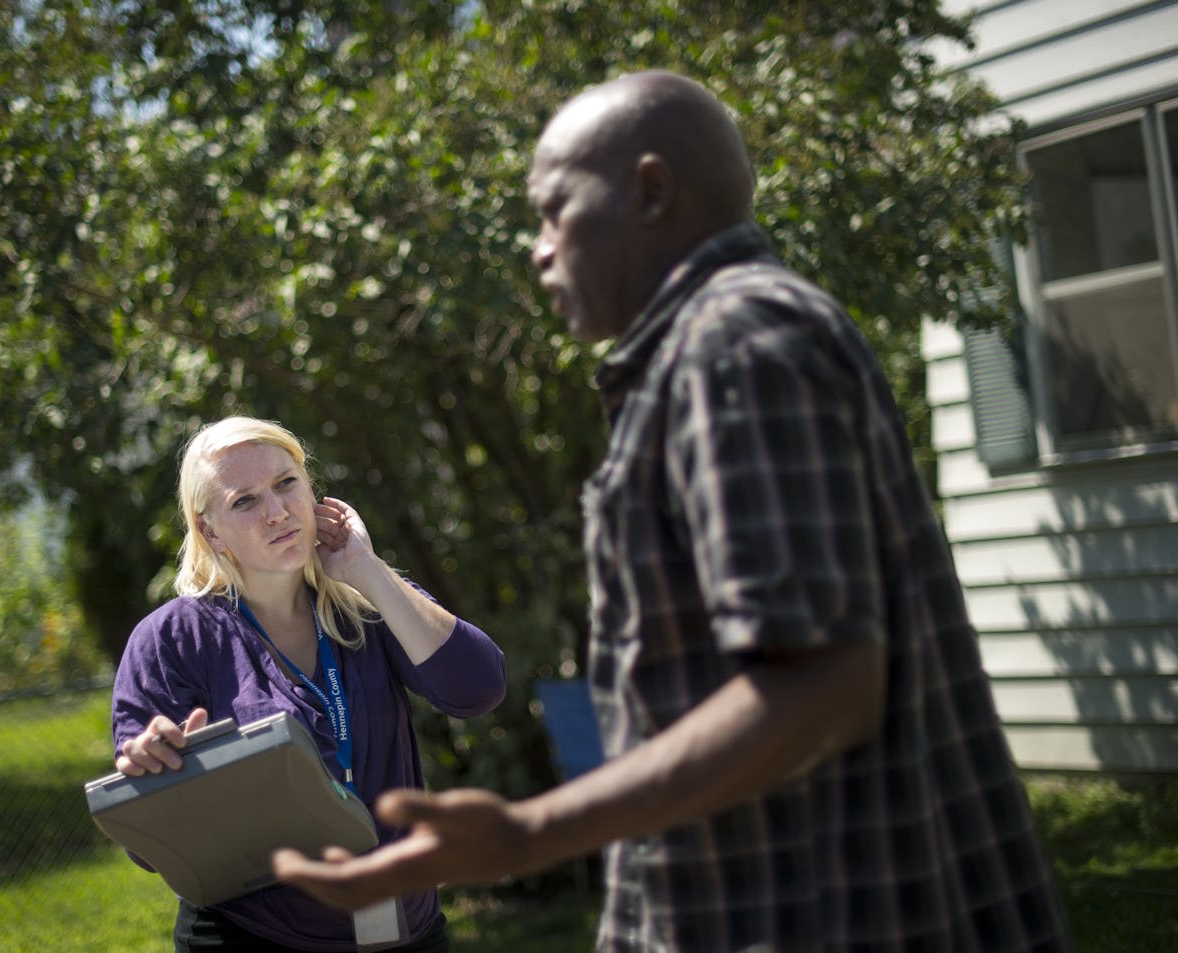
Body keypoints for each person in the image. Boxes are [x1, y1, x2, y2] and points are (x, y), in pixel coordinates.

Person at [272, 70, 1073, 952]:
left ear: (650, 190)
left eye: (554, 211)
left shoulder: (735, 344)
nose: (538, 250)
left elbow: (824, 685)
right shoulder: (722, 344)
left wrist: (531, 832)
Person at [111, 415, 507, 952]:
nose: (277, 512)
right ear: (209, 530)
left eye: (285, 484)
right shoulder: (173, 639)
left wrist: (365, 569)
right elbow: (152, 846)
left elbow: (477, 689)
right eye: (244, 502)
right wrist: (154, 768)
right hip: (256, 935)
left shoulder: (367, 602)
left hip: (403, 927)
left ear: (311, 490)